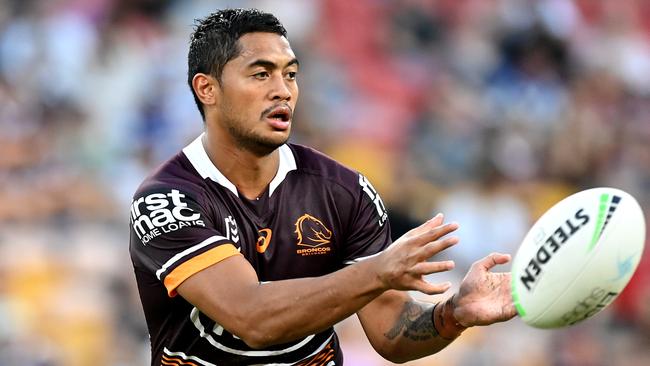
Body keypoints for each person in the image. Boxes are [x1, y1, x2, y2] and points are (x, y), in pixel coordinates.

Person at [129, 8, 516, 365]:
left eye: (290, 74)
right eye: (261, 74)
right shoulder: (166, 199)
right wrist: (378, 271)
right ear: (206, 89)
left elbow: (391, 333)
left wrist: (453, 314)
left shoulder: (344, 191)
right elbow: (251, 318)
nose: (283, 90)